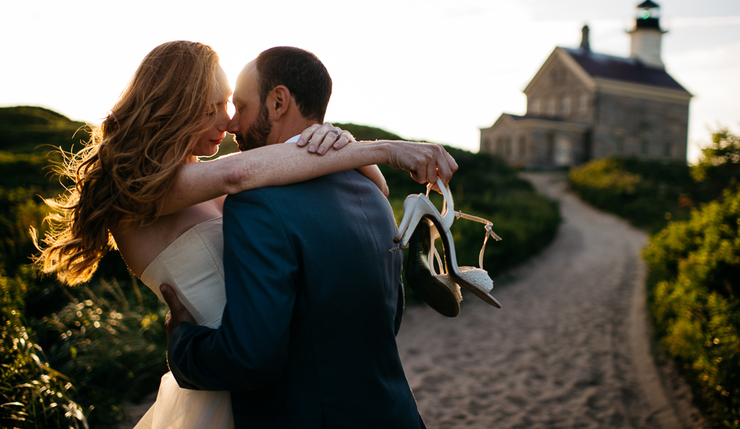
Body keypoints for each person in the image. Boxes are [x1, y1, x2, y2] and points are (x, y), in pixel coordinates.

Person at [32, 41, 457, 428]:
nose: (228, 119)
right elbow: (240, 173)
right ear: (173, 106)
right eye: (212, 106)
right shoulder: (139, 188)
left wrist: (341, 143)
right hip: (225, 383)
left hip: (266, 378)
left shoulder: (206, 180)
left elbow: (364, 189)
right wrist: (382, 149)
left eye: (230, 104)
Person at [162, 46, 448, 428]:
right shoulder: (371, 192)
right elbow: (387, 320)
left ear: (278, 102)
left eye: (241, 107)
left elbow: (250, 360)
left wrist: (182, 343)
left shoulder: (258, 204)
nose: (232, 125)